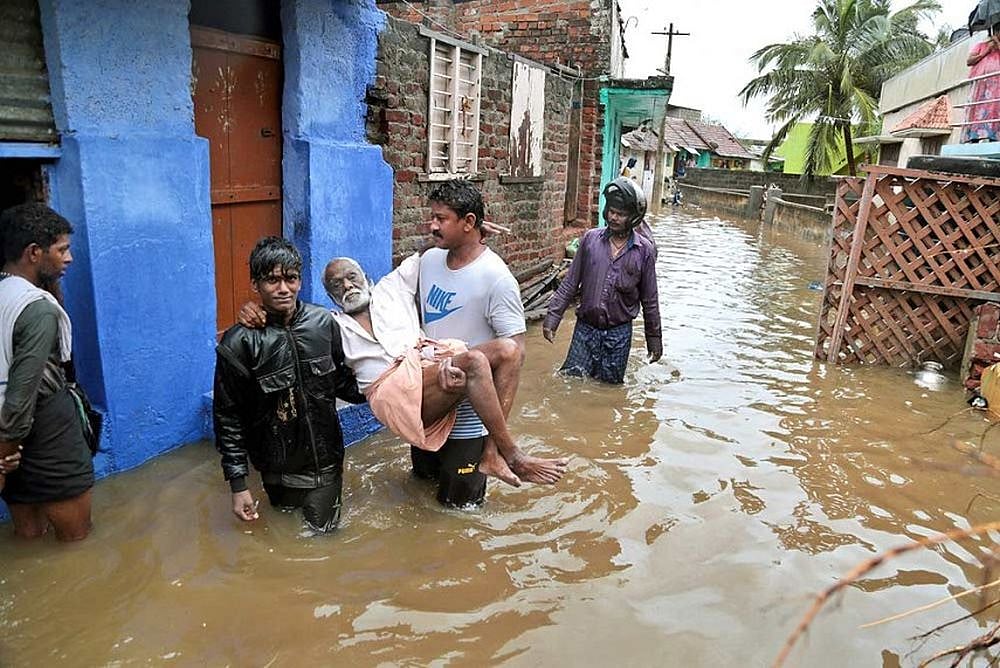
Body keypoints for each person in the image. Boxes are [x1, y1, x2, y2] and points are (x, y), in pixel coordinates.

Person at [413, 178, 568, 506]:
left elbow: (515, 356)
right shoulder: (428, 261)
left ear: (469, 223)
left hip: (469, 423)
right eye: (433, 217)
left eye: (441, 219)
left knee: (459, 518)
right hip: (429, 409)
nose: (432, 225)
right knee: (418, 495)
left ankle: (498, 456)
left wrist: (492, 443)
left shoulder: (496, 279)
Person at [213, 237, 366, 534]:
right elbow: (228, 417)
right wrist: (239, 485)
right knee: (284, 534)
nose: (283, 288)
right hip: (275, 473)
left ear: (299, 280)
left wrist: (391, 388)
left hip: (326, 467)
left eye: (291, 278)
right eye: (272, 280)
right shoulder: (240, 343)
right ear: (255, 284)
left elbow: (344, 384)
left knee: (321, 542)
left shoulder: (323, 324)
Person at [0, 203, 93, 541]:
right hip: (43, 433)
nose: (68, 258)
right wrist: (5, 453)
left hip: (9, 439)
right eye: (62, 249)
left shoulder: (4, 294)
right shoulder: (37, 310)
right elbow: (22, 391)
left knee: (28, 536)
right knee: (77, 543)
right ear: (34, 252)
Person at [543, 177, 662, 384]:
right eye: (611, 211)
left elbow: (650, 300)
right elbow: (570, 283)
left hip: (619, 334)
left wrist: (654, 340)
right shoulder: (590, 240)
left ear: (634, 217)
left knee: (609, 390)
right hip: (584, 330)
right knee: (570, 384)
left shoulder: (645, 251)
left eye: (621, 214)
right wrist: (552, 319)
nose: (614, 217)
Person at [963, 25, 1000, 143]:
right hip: (981, 84)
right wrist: (985, 51)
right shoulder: (980, 46)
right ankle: (973, 137)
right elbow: (969, 61)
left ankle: (993, 136)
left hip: (997, 86)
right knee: (977, 109)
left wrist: (998, 44)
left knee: (994, 109)